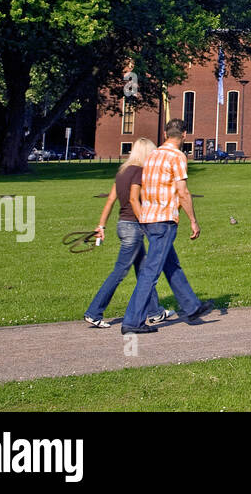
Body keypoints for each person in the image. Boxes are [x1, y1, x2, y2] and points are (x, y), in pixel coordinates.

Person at [121, 119, 213, 335]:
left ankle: (191, 307)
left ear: (164, 133)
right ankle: (132, 321)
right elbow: (183, 192)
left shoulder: (152, 156)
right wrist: (193, 220)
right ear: (184, 134)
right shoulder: (178, 157)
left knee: (171, 264)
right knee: (150, 271)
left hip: (148, 218)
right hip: (164, 220)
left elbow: (143, 187)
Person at [84, 138, 175, 328]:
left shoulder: (122, 172)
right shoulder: (139, 172)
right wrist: (148, 225)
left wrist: (101, 226)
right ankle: (94, 311)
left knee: (144, 270)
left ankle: (155, 311)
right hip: (133, 227)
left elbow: (110, 201)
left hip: (122, 225)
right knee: (120, 271)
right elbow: (135, 200)